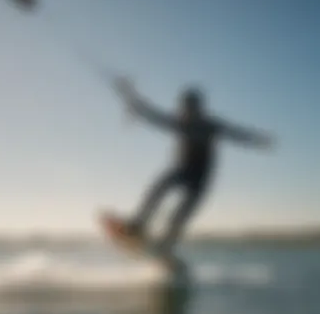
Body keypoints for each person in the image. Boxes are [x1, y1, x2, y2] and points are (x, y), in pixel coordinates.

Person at [112, 76, 275, 257]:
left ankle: (165, 247)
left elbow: (237, 134)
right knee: (159, 187)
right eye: (185, 108)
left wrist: (259, 140)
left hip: (200, 180)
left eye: (191, 108)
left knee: (178, 216)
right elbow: (152, 115)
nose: (187, 112)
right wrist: (128, 94)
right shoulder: (181, 123)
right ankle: (137, 226)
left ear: (199, 108)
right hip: (181, 170)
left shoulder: (211, 125)